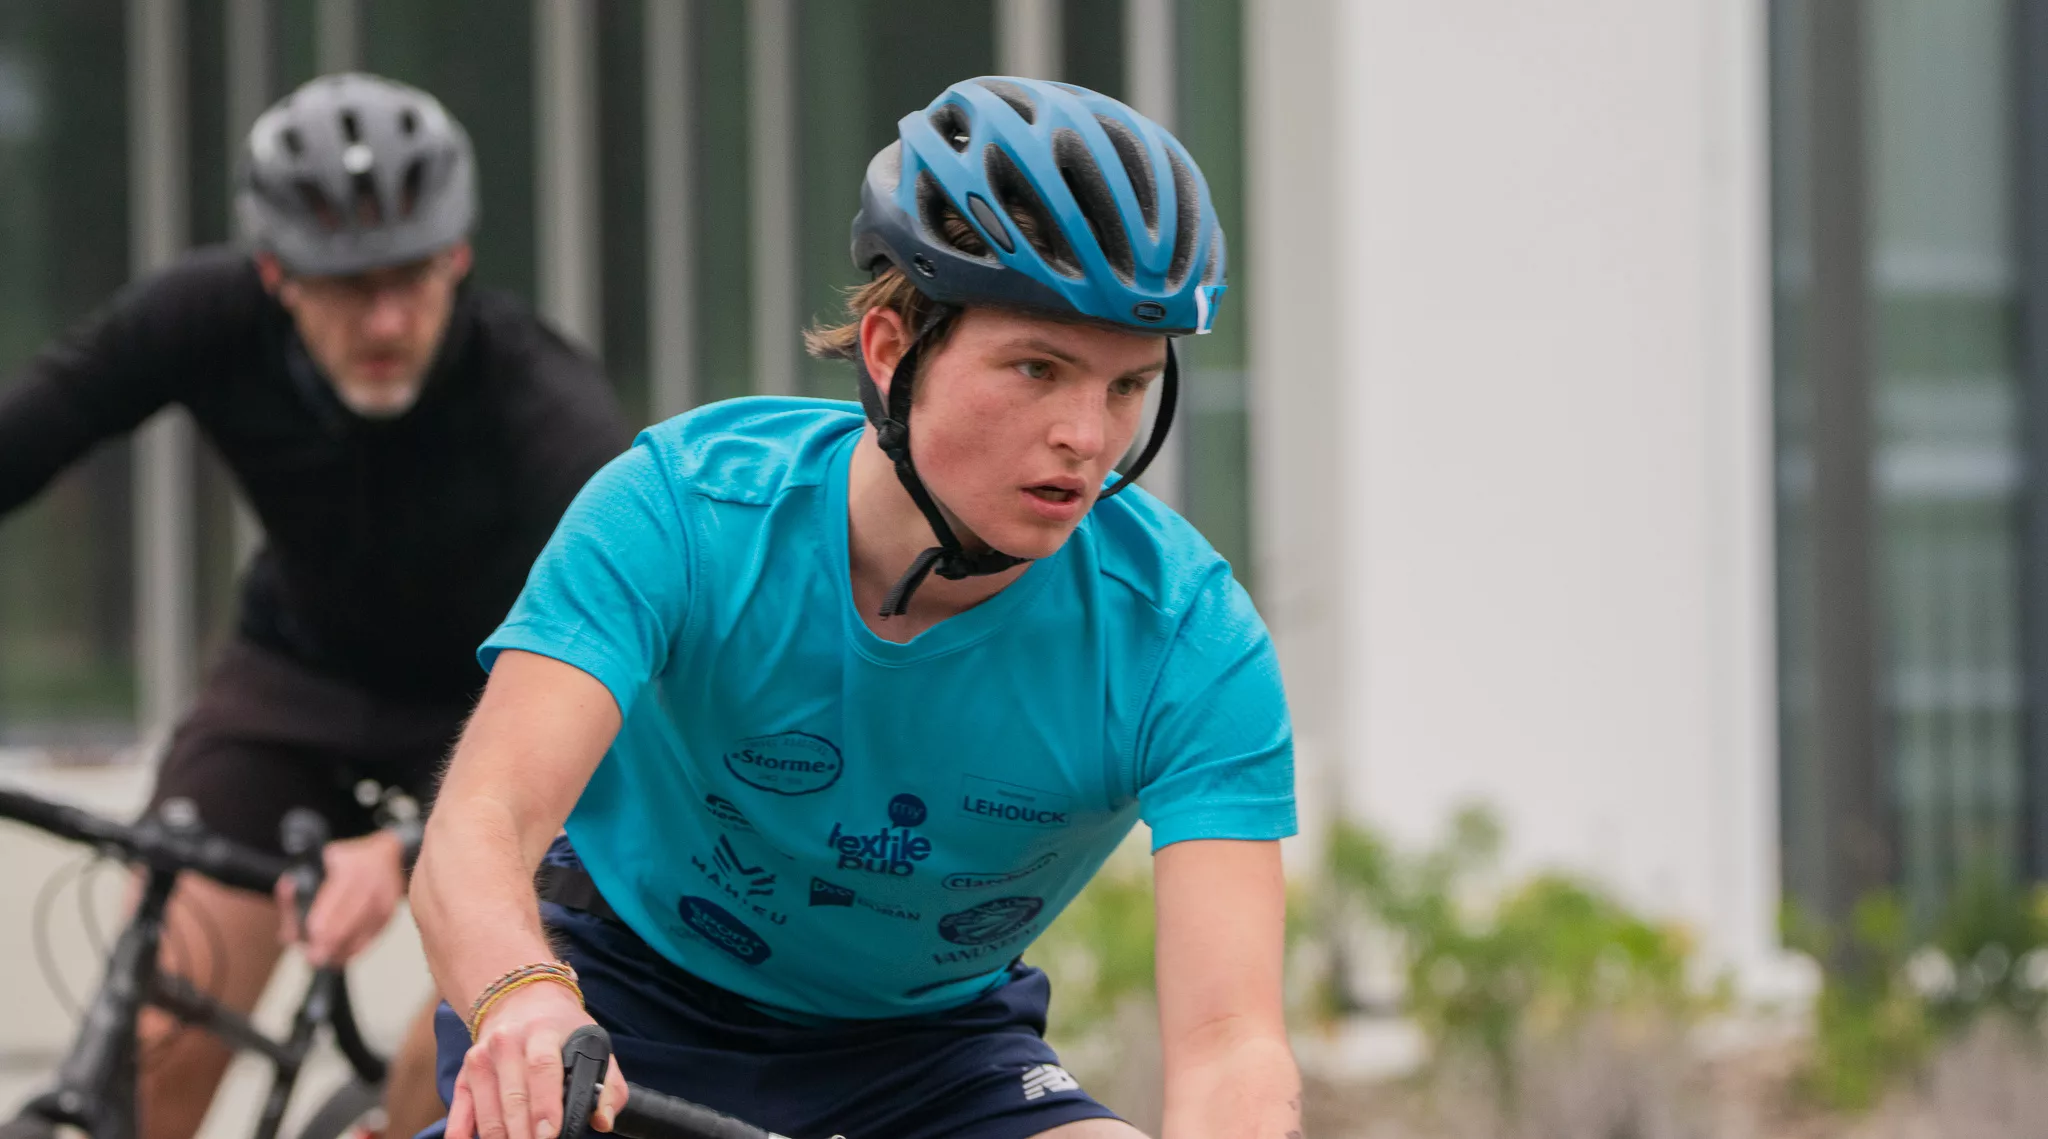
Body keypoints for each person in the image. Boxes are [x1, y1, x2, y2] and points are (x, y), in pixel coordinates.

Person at [413, 75, 1297, 1139]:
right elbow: (481, 823)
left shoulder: (1188, 637)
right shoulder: (681, 511)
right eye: (1037, 368)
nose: (1086, 437)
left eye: (1126, 386)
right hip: (614, 1001)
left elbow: (1230, 1043)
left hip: (933, 1057)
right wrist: (522, 998)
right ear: (890, 350)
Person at [0, 73, 628, 1139]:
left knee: (476, 1055)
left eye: (411, 277)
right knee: (162, 1026)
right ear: (275, 273)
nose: (385, 319)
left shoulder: (547, 412)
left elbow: (626, 677)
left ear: (458, 257)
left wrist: (412, 846)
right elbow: (32, 430)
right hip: (293, 684)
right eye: (345, 285)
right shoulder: (202, 316)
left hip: (491, 707)